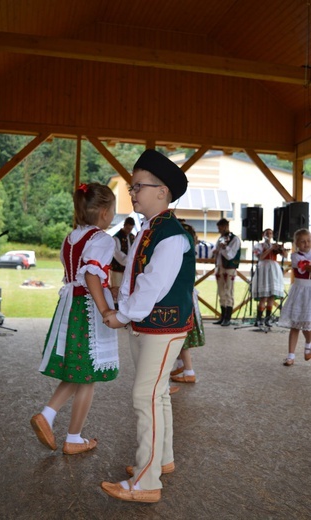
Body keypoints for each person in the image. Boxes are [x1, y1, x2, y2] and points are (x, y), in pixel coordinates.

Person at [100, 149, 195, 503]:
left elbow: (152, 286)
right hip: (149, 325)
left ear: (163, 191)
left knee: (146, 396)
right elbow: (131, 282)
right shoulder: (148, 228)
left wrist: (122, 315)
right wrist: (123, 309)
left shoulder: (169, 234)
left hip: (163, 327)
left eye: (139, 186)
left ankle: (146, 482)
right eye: (132, 186)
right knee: (155, 396)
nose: (133, 192)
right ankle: (161, 460)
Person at [30, 183, 119, 455]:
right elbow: (92, 275)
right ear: (104, 212)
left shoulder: (71, 238)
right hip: (88, 310)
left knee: (79, 370)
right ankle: (73, 437)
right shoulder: (103, 239)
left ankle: (48, 415)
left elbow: (79, 274)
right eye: (114, 210)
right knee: (88, 375)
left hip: (70, 307)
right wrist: (105, 308)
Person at [170, 220, 205, 384]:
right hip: (188, 297)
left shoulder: (181, 254)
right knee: (181, 336)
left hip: (184, 298)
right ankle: (182, 366)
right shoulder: (188, 252)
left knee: (182, 337)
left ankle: (189, 371)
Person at [278, 228, 311, 366]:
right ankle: (290, 356)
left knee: (307, 325)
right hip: (299, 291)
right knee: (295, 325)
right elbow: (306, 266)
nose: (306, 244)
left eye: (309, 241)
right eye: (303, 242)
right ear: (296, 243)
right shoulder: (295, 256)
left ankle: (309, 343)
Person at [251, 228, 287, 326]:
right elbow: (261, 257)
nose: (269, 235)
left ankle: (267, 319)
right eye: (267, 233)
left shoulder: (274, 245)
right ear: (263, 234)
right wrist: (271, 249)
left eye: (271, 233)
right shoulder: (259, 245)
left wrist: (282, 250)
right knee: (264, 296)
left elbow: (285, 255)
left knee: (272, 296)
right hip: (264, 268)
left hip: (274, 269)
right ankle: (258, 319)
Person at [212, 218, 241, 326]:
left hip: (229, 268)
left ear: (225, 227)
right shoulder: (221, 238)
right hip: (220, 267)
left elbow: (230, 255)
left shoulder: (235, 239)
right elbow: (218, 252)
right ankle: (222, 316)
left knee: (228, 291)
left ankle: (228, 317)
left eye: (220, 228)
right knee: (221, 292)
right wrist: (216, 251)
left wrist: (223, 249)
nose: (219, 230)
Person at [110, 216, 135, 287]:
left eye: (131, 229)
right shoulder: (116, 237)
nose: (129, 231)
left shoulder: (132, 237)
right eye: (127, 228)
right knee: (116, 288)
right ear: (124, 225)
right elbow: (116, 253)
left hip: (128, 269)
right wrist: (128, 260)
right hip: (117, 269)